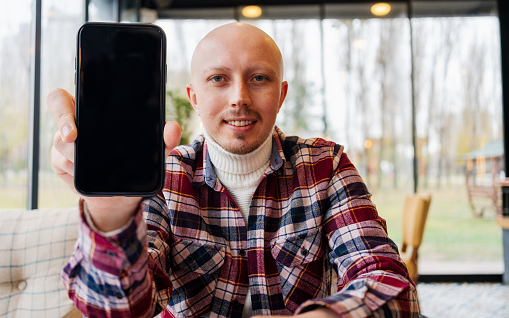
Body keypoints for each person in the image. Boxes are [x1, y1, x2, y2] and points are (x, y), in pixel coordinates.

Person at [48, 22, 420, 317]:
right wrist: (111, 223)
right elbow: (121, 310)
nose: (239, 96)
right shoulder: (164, 175)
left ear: (281, 94)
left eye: (259, 78)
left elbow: (388, 282)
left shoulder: (326, 166)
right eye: (218, 79)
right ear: (194, 96)